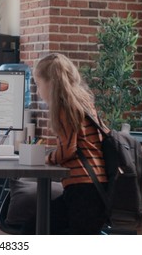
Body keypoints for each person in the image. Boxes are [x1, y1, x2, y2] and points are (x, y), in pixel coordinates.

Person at [30, 53, 108, 234]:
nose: (37, 90)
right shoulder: (83, 102)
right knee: (38, 226)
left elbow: (68, 150)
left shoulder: (65, 107)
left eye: (38, 83)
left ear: (50, 83)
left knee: (34, 228)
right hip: (96, 186)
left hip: (84, 190)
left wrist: (48, 157)